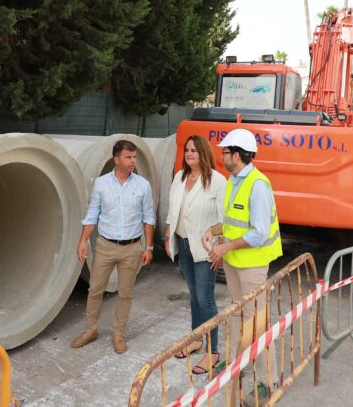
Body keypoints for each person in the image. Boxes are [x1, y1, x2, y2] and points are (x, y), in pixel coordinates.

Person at [202, 129, 282, 402]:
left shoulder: (258, 185)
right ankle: (239, 364)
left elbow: (258, 233)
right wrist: (215, 231)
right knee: (238, 316)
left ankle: (268, 381)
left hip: (252, 265)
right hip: (236, 262)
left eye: (224, 151)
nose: (221, 155)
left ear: (236, 155)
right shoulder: (234, 180)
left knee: (257, 323)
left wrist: (224, 247)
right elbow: (233, 222)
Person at [71, 140, 156, 354]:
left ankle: (119, 334)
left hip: (132, 248)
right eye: (128, 157)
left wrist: (149, 247)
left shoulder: (142, 185)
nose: (133, 161)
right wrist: (82, 241)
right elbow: (92, 215)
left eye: (134, 157)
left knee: (126, 294)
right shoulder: (101, 183)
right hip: (105, 246)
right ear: (116, 159)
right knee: (95, 290)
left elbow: (148, 218)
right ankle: (91, 330)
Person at [164, 135, 227, 375]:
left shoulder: (217, 181)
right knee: (193, 295)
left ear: (203, 153)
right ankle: (196, 339)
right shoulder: (180, 177)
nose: (189, 154)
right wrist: (170, 232)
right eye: (187, 150)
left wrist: (219, 248)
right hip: (184, 243)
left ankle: (212, 351)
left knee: (205, 298)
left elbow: (224, 220)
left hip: (205, 249)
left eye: (194, 150)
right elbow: (173, 209)